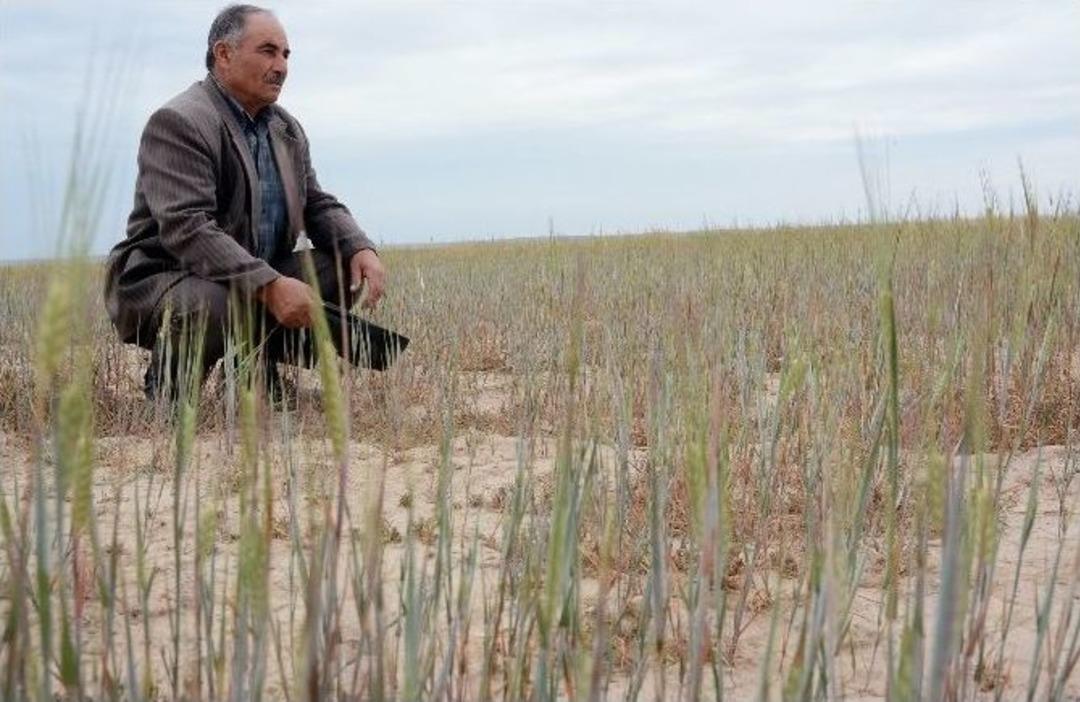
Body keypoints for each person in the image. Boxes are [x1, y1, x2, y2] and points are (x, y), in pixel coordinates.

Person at [103, 4, 386, 400]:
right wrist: (270, 286)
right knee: (219, 300)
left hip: (249, 273)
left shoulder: (284, 127)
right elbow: (189, 229)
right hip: (169, 277)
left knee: (338, 267)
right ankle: (170, 382)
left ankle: (251, 371)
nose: (282, 66)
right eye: (268, 51)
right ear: (224, 54)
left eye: (286, 55)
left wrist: (360, 245)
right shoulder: (180, 121)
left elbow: (315, 203)